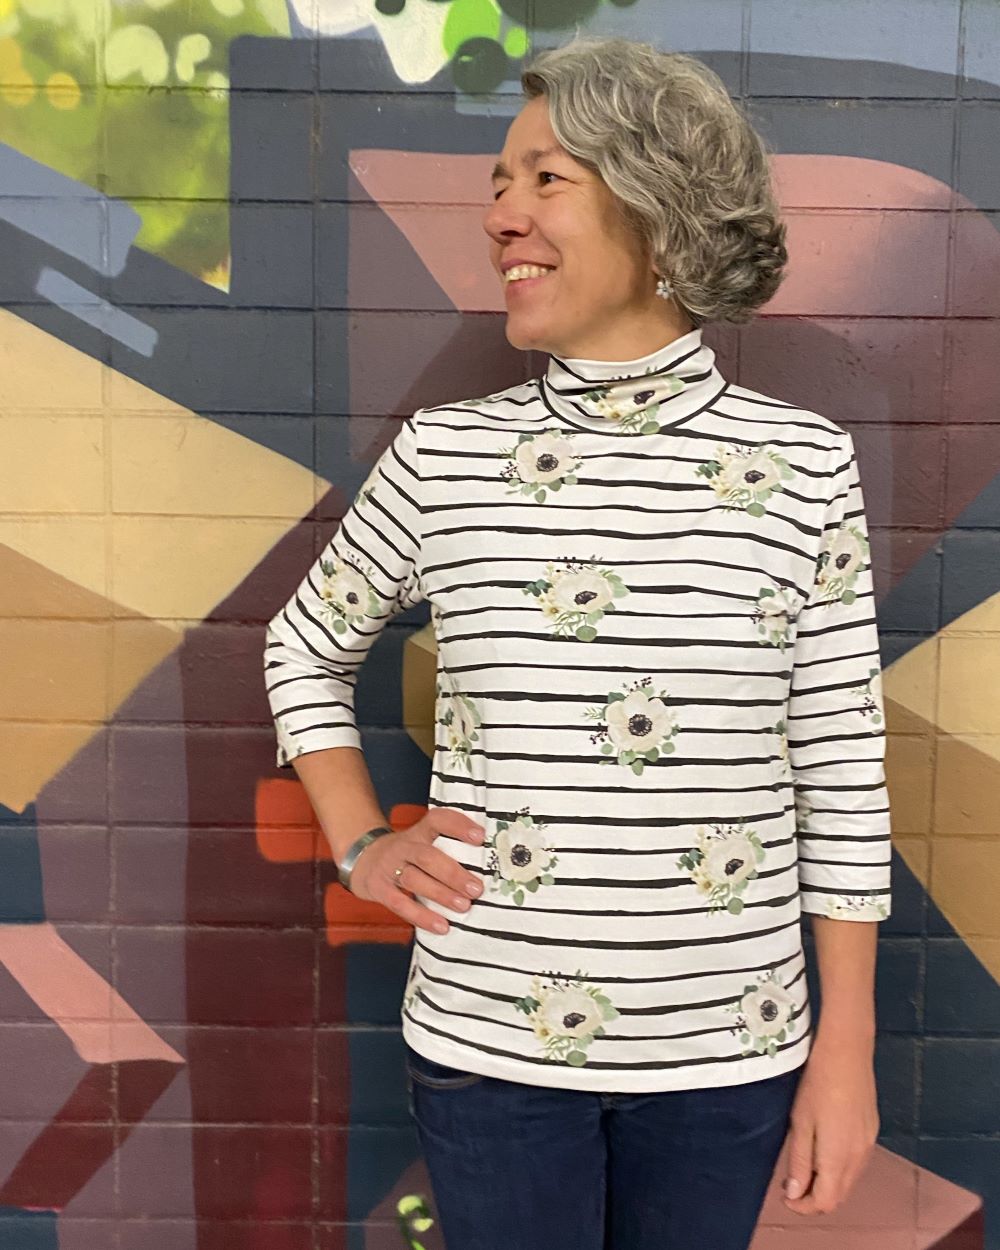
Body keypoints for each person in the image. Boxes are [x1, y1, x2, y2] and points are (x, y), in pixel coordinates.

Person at [264, 34, 892, 1250]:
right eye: (500, 182)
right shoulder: (445, 455)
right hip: (488, 1056)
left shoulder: (805, 466)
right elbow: (303, 646)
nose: (500, 213)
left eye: (545, 177)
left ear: (660, 213)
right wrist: (361, 844)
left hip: (729, 1053)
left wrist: (845, 1049)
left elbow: (840, 765)